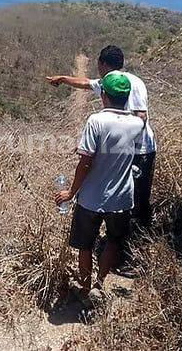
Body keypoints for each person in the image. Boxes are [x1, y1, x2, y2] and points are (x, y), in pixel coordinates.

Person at [48, 46, 157, 273]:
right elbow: (87, 83)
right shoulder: (112, 82)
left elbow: (141, 118)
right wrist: (63, 79)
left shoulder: (128, 85)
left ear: (102, 64)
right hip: (119, 149)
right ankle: (114, 251)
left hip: (139, 151)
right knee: (121, 200)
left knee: (137, 205)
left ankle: (130, 258)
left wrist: (113, 140)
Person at [54, 71, 143, 304]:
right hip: (122, 198)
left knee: (85, 245)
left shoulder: (96, 121)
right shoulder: (137, 124)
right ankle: (100, 284)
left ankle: (84, 290)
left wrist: (70, 193)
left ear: (104, 95)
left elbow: (85, 162)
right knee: (113, 241)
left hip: (91, 198)